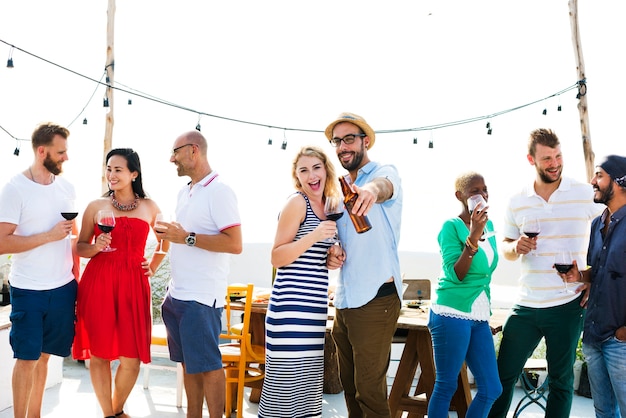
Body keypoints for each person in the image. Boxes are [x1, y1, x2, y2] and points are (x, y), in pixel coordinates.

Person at [488, 128, 601, 418]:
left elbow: (613, 230)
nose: (555, 163)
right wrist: (516, 246)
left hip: (567, 304)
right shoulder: (517, 200)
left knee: (561, 381)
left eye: (558, 156)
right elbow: (505, 248)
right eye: (547, 158)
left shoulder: (584, 194)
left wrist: (591, 277)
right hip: (525, 304)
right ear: (531, 159)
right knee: (501, 377)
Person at [72, 148, 167, 418]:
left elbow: (165, 239)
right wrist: (96, 247)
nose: (111, 175)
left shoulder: (149, 206)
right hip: (99, 282)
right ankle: (109, 414)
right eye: (108, 169)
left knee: (132, 358)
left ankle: (115, 410)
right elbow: (80, 247)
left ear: (133, 174)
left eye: (118, 170)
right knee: (99, 354)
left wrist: (154, 264)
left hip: (134, 285)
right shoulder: (95, 207)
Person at [157, 130, 242, 418]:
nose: (172, 159)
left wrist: (187, 237)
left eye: (176, 151)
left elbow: (234, 243)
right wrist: (172, 235)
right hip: (177, 294)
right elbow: (182, 237)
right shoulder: (186, 191)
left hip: (201, 298)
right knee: (187, 363)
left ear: (193, 150)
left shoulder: (220, 191)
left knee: (208, 366)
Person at [325, 112, 403, 418]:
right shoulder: (339, 186)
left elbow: (385, 186)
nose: (343, 146)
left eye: (349, 139)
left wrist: (369, 192)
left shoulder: (383, 172)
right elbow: (343, 240)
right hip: (345, 298)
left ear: (364, 141)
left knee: (369, 393)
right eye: (337, 141)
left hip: (376, 297)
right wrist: (333, 252)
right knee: (350, 389)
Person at [0, 122, 79, 418]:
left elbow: (74, 240)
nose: (66, 158)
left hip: (62, 288)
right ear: (41, 151)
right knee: (26, 358)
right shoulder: (14, 189)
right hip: (28, 289)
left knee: (45, 357)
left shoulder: (67, 188)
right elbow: (2, 243)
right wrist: (48, 236)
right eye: (60, 153)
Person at [258, 146, 340, 418]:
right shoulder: (297, 202)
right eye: (303, 170)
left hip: (314, 309)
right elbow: (277, 257)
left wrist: (333, 258)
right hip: (290, 309)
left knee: (305, 392)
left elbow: (314, 258)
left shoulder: (329, 206)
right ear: (297, 176)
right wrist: (315, 236)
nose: (311, 175)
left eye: (316, 167)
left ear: (326, 169)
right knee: (283, 392)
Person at [428, 172, 502, 418]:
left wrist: (484, 311)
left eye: (485, 189)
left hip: (477, 318)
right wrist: (473, 234)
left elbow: (484, 276)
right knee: (447, 385)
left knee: (492, 388)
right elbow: (457, 273)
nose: (482, 194)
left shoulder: (489, 225)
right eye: (474, 191)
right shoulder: (451, 227)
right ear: (460, 196)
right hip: (450, 313)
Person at [559, 155, 626, 417]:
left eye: (599, 175)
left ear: (620, 182)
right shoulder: (598, 223)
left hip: (620, 340)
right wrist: (580, 276)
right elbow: (601, 273)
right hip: (594, 335)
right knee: (603, 411)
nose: (592, 181)